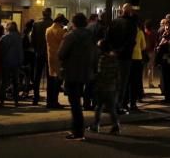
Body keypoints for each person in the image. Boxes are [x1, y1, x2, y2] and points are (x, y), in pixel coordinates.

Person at [58, 13, 95, 141]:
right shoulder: (90, 36)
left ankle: (78, 130)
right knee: (77, 101)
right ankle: (78, 128)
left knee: (74, 103)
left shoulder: (70, 36)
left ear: (74, 23)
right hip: (85, 72)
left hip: (72, 72)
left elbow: (61, 54)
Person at [91, 40, 120, 134]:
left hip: (102, 86)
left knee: (98, 107)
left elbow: (100, 74)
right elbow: (117, 74)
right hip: (112, 86)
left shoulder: (102, 59)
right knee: (112, 108)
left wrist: (94, 78)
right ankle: (115, 126)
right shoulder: (114, 58)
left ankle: (95, 125)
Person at [30, 8, 51, 105]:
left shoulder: (36, 24)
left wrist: (36, 49)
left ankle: (36, 97)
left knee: (37, 75)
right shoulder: (52, 24)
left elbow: (32, 39)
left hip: (38, 52)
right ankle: (50, 97)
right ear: (50, 13)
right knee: (50, 75)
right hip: (49, 52)